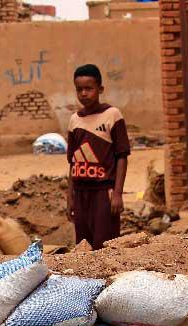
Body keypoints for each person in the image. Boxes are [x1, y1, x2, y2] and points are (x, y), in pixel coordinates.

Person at [66, 64, 130, 251]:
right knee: (83, 246)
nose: (84, 93)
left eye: (89, 88)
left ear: (100, 89)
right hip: (81, 192)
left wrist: (117, 193)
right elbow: (72, 162)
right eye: (79, 89)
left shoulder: (112, 115)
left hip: (104, 192)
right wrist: (70, 196)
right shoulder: (74, 120)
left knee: (105, 245)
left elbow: (122, 156)